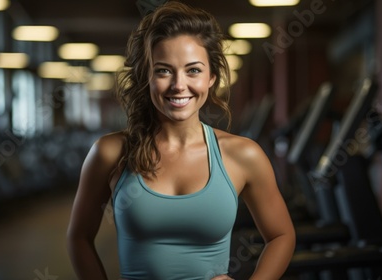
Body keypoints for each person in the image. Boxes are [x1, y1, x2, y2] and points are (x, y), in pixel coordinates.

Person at [66, 1, 295, 279]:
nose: (178, 84)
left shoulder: (243, 155)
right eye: (163, 70)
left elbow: (281, 235)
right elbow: (79, 237)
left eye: (193, 70)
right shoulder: (111, 152)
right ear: (146, 77)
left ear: (212, 77)